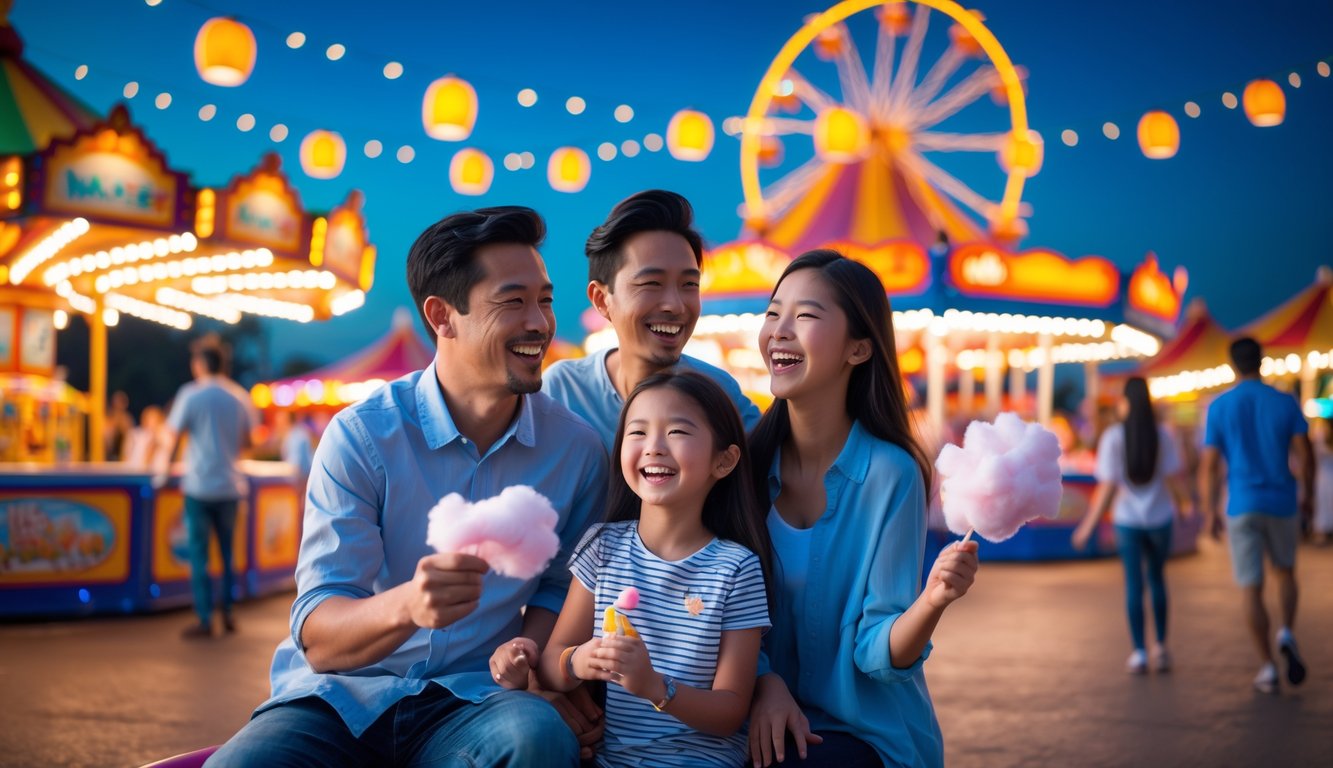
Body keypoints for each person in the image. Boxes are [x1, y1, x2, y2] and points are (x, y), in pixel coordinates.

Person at [207, 207, 609, 767]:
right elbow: (319, 635)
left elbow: (556, 588)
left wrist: (531, 660)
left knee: (537, 735)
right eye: (513, 301)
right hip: (338, 701)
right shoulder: (362, 437)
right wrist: (409, 606)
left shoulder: (576, 452)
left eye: (544, 299)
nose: (540, 322)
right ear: (443, 316)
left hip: (475, 700)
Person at [746, 250, 979, 768]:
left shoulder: (891, 475)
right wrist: (765, 683)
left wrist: (933, 600)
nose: (780, 330)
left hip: (865, 733)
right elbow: (725, 614)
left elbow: (878, 653)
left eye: (804, 316)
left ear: (858, 348)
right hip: (758, 716)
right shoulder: (742, 466)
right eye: (772, 313)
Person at [530, 371, 771, 767]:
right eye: (637, 432)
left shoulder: (736, 568)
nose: (654, 447)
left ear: (723, 461)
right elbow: (553, 661)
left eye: (677, 432)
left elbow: (731, 711)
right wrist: (578, 661)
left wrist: (656, 688)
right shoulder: (601, 547)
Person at [543, 190, 760, 451]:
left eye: (689, 284)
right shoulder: (563, 392)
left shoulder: (720, 395)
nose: (675, 305)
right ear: (601, 299)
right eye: (651, 283)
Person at [1200, 337, 1314, 694]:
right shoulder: (1285, 402)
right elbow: (1306, 456)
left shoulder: (1220, 407)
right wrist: (1308, 496)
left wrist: (1209, 512)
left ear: (1233, 365)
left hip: (1242, 504)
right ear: (1262, 362)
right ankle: (1287, 631)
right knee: (1286, 572)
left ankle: (1267, 666)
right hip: (1282, 501)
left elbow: (1209, 466)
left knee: (1252, 587)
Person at [1072, 376, 1191, 674]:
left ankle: (1139, 652)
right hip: (1160, 518)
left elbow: (1108, 489)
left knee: (1134, 586)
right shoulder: (1163, 434)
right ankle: (1161, 647)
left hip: (1127, 522)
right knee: (1157, 580)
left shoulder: (1113, 436)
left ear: (1125, 402)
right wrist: (1186, 504)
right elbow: (1172, 478)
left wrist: (1088, 527)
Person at [156, 339, 257, 639]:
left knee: (199, 555)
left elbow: (173, 438)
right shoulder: (239, 397)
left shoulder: (190, 394)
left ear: (200, 364)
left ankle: (203, 617)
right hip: (229, 485)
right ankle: (227, 613)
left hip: (198, 486)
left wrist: (164, 472)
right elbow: (249, 443)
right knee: (227, 555)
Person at [124, 405, 171, 469]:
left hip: (157, 471)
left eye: (154, 419)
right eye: (148, 418)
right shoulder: (135, 435)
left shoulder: (164, 435)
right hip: (134, 471)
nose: (150, 422)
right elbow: (126, 456)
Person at [1312, 418, 1333, 545]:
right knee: (1323, 502)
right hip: (1324, 475)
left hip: (1326, 476)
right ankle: (1322, 531)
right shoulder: (1321, 432)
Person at [105, 389, 134, 461]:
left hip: (121, 455)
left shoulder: (127, 419)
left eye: (121, 402)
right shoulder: (108, 418)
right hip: (108, 455)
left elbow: (129, 439)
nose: (119, 405)